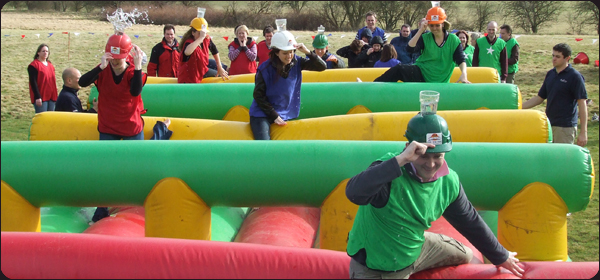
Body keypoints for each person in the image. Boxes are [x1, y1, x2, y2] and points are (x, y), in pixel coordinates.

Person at [345, 112, 525, 279]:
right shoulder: (389, 173)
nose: (431, 164)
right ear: (409, 148)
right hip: (377, 265)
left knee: (465, 254)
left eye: (437, 156)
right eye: (423, 156)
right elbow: (354, 193)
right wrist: (401, 160)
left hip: (417, 248)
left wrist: (500, 256)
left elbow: (469, 220)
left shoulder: (448, 181)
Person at [248, 28, 326, 140]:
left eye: (291, 52)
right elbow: (258, 95)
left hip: (285, 113)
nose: (289, 56)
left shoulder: (297, 62)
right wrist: (274, 115)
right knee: (264, 144)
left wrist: (308, 52)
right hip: (262, 114)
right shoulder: (265, 69)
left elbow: (321, 67)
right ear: (276, 52)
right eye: (285, 53)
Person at [374, 6, 470, 84]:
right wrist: (420, 30)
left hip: (441, 79)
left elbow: (460, 59)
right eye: (431, 25)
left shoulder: (453, 40)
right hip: (422, 73)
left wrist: (464, 74)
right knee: (399, 69)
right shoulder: (425, 37)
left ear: (443, 24)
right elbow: (409, 48)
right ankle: (373, 86)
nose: (434, 28)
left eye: (437, 25)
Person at [79, 33, 147, 140]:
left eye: (118, 58)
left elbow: (135, 92)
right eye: (112, 57)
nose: (114, 61)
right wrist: (100, 67)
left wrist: (138, 67)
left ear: (125, 56)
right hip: (108, 127)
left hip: (131, 127)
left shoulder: (133, 72)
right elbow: (82, 83)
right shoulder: (103, 69)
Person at [522, 43, 588, 147]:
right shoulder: (550, 74)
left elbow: (582, 104)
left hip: (565, 127)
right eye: (553, 55)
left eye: (558, 56)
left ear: (567, 58)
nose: (554, 59)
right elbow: (539, 98)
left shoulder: (575, 76)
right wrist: (519, 108)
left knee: (562, 161)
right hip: (548, 125)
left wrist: (583, 132)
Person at [178, 17, 229, 83]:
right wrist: (201, 38)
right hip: (188, 77)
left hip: (202, 71)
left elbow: (214, 50)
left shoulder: (206, 38)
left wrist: (219, 66)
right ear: (193, 33)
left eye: (204, 33)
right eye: (200, 33)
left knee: (219, 76)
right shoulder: (189, 42)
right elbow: (187, 52)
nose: (203, 36)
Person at [28, 43, 58, 113]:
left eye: (47, 51)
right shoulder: (34, 65)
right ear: (38, 53)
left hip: (51, 96)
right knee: (42, 118)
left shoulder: (50, 65)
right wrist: (38, 97)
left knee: (50, 119)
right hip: (41, 96)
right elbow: (33, 82)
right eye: (43, 51)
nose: (45, 53)